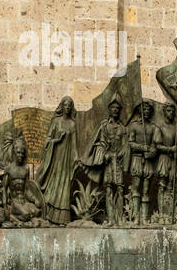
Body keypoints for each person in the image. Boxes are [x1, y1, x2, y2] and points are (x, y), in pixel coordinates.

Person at [79, 97, 127, 226]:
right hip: (108, 161)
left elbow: (126, 145)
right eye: (113, 108)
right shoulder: (104, 126)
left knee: (120, 189)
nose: (115, 110)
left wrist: (121, 155)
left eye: (117, 108)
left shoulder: (123, 128)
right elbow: (99, 143)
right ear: (109, 110)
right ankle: (111, 218)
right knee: (109, 188)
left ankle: (120, 218)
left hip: (119, 161)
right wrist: (104, 154)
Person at [36, 96, 76, 225]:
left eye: (70, 105)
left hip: (67, 159)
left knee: (64, 186)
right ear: (62, 106)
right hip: (55, 159)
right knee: (53, 184)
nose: (68, 107)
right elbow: (47, 141)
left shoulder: (73, 124)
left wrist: (75, 159)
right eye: (66, 105)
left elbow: (74, 145)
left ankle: (63, 218)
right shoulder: (56, 122)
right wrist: (56, 140)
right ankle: (49, 214)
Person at [127, 101, 160, 224]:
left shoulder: (153, 127)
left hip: (148, 161)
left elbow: (155, 145)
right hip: (136, 159)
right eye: (144, 109)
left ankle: (145, 218)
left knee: (146, 190)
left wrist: (152, 151)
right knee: (136, 188)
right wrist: (143, 148)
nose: (146, 112)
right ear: (141, 111)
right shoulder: (134, 126)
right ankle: (136, 217)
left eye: (148, 110)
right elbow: (131, 143)